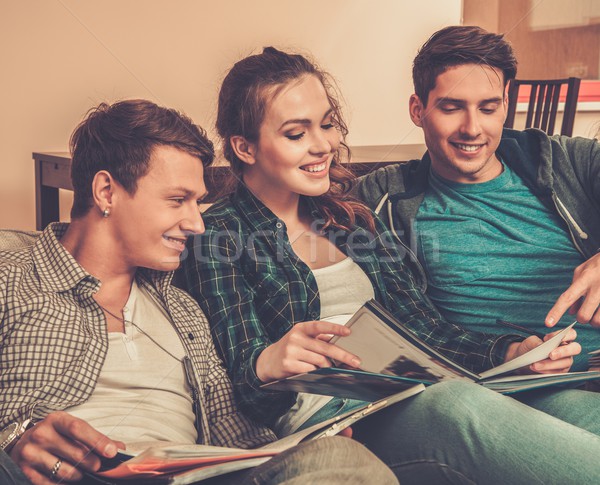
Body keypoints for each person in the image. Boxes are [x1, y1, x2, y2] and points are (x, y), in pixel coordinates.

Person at [183, 46, 600, 484]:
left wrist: (510, 352)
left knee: (574, 406)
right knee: (456, 404)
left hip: (408, 387)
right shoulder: (218, 236)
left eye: (326, 124)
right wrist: (268, 363)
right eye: (295, 133)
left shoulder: (349, 218)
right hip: (338, 415)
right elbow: (233, 377)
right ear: (244, 147)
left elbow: (424, 328)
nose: (323, 145)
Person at [0, 99, 398, 485]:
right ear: (107, 191)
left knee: (341, 459)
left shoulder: (183, 309)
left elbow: (233, 433)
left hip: (181, 476)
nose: (197, 223)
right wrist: (13, 438)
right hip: (52, 474)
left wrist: (304, 451)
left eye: (198, 203)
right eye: (178, 201)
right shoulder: (12, 281)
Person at [353, 25, 600, 371]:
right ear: (417, 110)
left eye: (488, 108)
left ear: (505, 105)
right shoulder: (383, 197)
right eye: (452, 108)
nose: (472, 129)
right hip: (528, 385)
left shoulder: (564, 161)